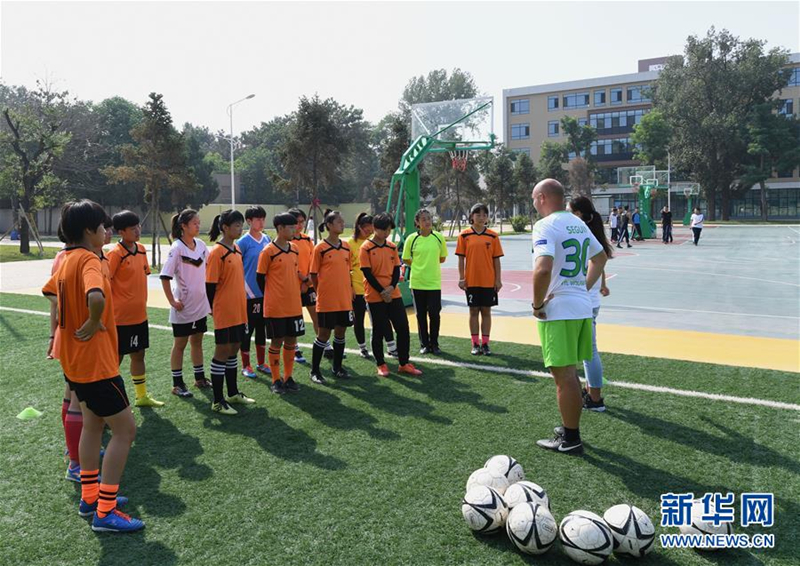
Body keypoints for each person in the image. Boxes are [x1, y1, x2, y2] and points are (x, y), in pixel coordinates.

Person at [42, 200, 143, 532]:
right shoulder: (88, 260)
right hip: (97, 363)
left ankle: (90, 497)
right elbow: (96, 296)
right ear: (89, 230)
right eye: (103, 227)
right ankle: (106, 511)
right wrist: (93, 320)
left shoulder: (66, 259)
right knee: (126, 431)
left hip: (73, 361)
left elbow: (50, 292)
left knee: (93, 426)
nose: (106, 232)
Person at [530, 180, 607, 455]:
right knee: (571, 374)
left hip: (558, 311)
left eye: (534, 199)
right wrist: (582, 287)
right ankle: (569, 429)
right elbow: (600, 258)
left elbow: (542, 269)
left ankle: (571, 438)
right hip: (581, 307)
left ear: (541, 197)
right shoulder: (578, 223)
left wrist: (537, 303)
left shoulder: (545, 225)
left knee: (563, 376)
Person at [106, 211, 163, 408]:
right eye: (133, 228)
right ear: (121, 232)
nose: (138, 230)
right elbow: (105, 283)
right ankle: (108, 402)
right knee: (115, 359)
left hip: (140, 316)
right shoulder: (115, 254)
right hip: (119, 318)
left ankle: (141, 396)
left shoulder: (141, 249)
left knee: (139, 354)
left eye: (138, 226)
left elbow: (143, 275)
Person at [360, 213, 422, 377]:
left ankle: (404, 363)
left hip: (393, 293)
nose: (387, 233)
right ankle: (381, 364)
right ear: (375, 228)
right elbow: (367, 273)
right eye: (384, 230)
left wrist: (391, 288)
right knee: (379, 330)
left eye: (389, 230)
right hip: (374, 295)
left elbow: (396, 269)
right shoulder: (366, 247)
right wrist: (382, 291)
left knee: (403, 327)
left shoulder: (391, 246)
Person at [206, 210, 255, 415]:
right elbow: (210, 285)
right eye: (236, 225)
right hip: (224, 310)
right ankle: (217, 401)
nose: (240, 228)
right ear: (225, 227)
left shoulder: (236, 249)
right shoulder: (217, 252)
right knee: (222, 351)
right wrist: (212, 309)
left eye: (240, 225)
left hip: (239, 309)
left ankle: (233, 392)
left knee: (234, 348)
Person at [567, 196, 613, 413]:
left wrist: (582, 289)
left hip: (584, 301)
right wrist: (602, 284)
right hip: (591, 301)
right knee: (587, 351)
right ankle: (590, 391)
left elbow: (597, 262)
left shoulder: (580, 233)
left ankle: (595, 399)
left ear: (577, 214)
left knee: (589, 352)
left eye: (569, 210)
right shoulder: (591, 233)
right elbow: (600, 262)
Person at [161, 209, 211, 398]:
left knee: (197, 341)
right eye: (195, 223)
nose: (198, 226)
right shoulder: (177, 248)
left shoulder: (200, 244)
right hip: (184, 307)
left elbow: (210, 267)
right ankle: (177, 383)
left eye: (199, 222)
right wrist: (172, 301)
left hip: (200, 305)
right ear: (183, 226)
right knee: (180, 344)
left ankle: (199, 378)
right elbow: (165, 277)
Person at [257, 213, 306, 394]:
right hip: (275, 307)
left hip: (294, 305)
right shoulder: (268, 251)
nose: (295, 230)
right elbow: (260, 278)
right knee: (277, 341)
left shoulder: (294, 249)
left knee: (292, 340)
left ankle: (288, 376)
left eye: (295, 226)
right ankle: (276, 379)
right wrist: (273, 296)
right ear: (280, 228)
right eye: (291, 227)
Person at [309, 210, 353, 384]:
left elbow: (347, 271)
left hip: (344, 299)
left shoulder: (346, 246)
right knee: (324, 334)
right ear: (329, 226)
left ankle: (337, 367)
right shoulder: (320, 248)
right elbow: (313, 273)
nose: (342, 224)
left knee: (341, 332)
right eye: (339, 222)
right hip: (327, 299)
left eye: (342, 222)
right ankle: (315, 371)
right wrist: (320, 291)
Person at [456, 203, 504, 356]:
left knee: (486, 311)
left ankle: (486, 344)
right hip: (471, 281)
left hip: (488, 281)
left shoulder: (493, 236)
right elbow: (461, 259)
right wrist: (462, 278)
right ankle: (475, 343)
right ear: (471, 216)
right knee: (473, 311)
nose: (481, 217)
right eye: (478, 214)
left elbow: (496, 260)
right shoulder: (464, 235)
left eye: (484, 214)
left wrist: (498, 280)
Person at [349, 213, 398, 359]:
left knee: (382, 320)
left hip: (376, 290)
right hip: (358, 288)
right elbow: (347, 268)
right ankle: (362, 347)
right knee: (359, 319)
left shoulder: (377, 243)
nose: (370, 233)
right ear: (359, 227)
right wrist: (349, 287)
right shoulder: (351, 244)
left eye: (372, 230)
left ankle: (391, 346)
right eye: (367, 230)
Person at [402, 209, 447, 355]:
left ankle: (435, 344)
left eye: (429, 218)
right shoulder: (411, 239)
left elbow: (442, 258)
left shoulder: (438, 237)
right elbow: (406, 258)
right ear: (417, 223)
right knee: (420, 315)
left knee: (434, 314)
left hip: (434, 283)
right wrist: (419, 267)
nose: (427, 221)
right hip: (417, 283)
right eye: (423, 219)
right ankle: (424, 344)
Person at [237, 206, 271, 378]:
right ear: (249, 221)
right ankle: (246, 365)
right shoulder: (243, 242)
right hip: (248, 295)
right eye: (258, 219)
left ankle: (261, 363)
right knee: (247, 330)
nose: (261, 222)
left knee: (261, 330)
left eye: (263, 219)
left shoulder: (267, 239)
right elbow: (236, 268)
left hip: (265, 293)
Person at [288, 208, 318, 364]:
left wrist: (309, 281)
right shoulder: (287, 242)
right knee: (295, 318)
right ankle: (295, 348)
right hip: (294, 286)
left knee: (316, 314)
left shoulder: (307, 239)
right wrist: (303, 280)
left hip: (308, 284)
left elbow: (313, 260)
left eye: (302, 222)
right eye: (297, 222)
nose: (300, 225)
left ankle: (323, 344)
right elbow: (291, 265)